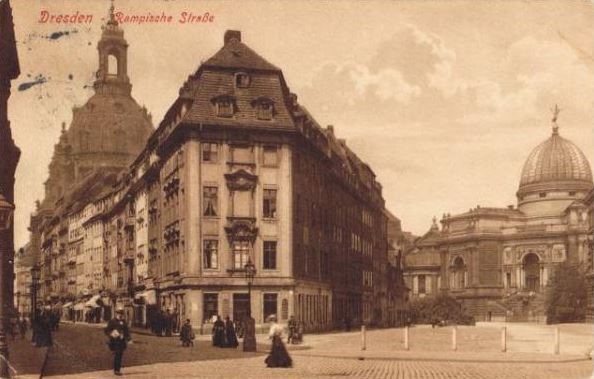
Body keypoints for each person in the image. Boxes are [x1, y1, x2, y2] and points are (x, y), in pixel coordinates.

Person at [104, 307, 131, 376]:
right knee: (118, 354)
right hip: (115, 341)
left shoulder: (124, 321)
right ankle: (116, 370)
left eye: (121, 313)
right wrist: (112, 334)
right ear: (116, 313)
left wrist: (128, 338)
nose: (120, 314)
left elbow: (126, 331)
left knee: (120, 355)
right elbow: (107, 330)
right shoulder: (112, 321)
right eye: (119, 313)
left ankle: (117, 369)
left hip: (122, 341)